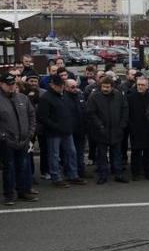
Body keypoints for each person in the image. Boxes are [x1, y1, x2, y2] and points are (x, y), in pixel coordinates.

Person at [37, 75, 86, 188]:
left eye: (62, 86)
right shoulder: (46, 98)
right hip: (54, 132)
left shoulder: (62, 96)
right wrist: (55, 126)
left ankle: (73, 175)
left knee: (71, 153)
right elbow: (43, 117)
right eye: (59, 86)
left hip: (66, 130)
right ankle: (56, 177)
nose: (61, 88)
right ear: (52, 85)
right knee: (54, 155)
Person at [0, 72, 37, 205]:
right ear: (1, 84)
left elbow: (32, 116)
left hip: (23, 140)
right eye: (8, 84)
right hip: (6, 142)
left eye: (13, 84)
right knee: (9, 169)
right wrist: (3, 136)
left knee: (23, 166)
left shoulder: (23, 98)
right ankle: (9, 195)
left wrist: (30, 133)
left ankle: (23, 192)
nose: (11, 87)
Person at [86, 76, 129, 185]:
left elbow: (125, 109)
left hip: (116, 130)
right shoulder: (94, 97)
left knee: (117, 154)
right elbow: (91, 113)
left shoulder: (119, 95)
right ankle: (103, 175)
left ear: (112, 87)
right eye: (104, 87)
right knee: (101, 155)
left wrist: (122, 125)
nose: (105, 89)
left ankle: (118, 174)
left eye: (108, 87)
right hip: (101, 131)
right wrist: (99, 126)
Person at [127, 77, 149, 181]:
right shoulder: (130, 98)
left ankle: (148, 171)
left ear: (147, 86)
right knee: (136, 152)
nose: (140, 86)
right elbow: (127, 114)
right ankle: (135, 173)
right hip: (135, 129)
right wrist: (131, 126)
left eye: (143, 85)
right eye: (139, 84)